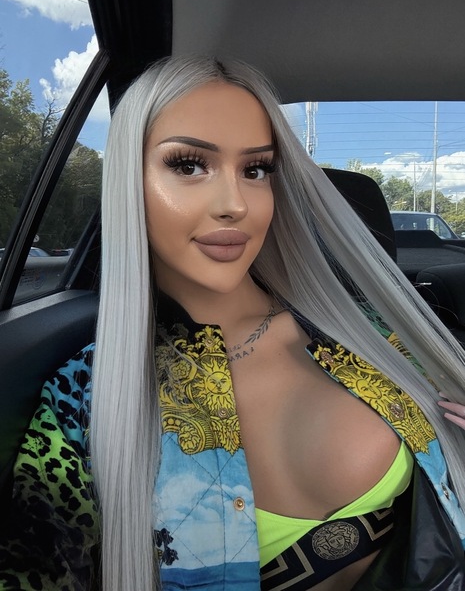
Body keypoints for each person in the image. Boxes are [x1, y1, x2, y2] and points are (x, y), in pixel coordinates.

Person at [1, 56, 465, 591]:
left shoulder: (376, 337)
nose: (235, 205)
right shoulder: (85, 402)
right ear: (129, 180)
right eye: (188, 165)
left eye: (255, 170)